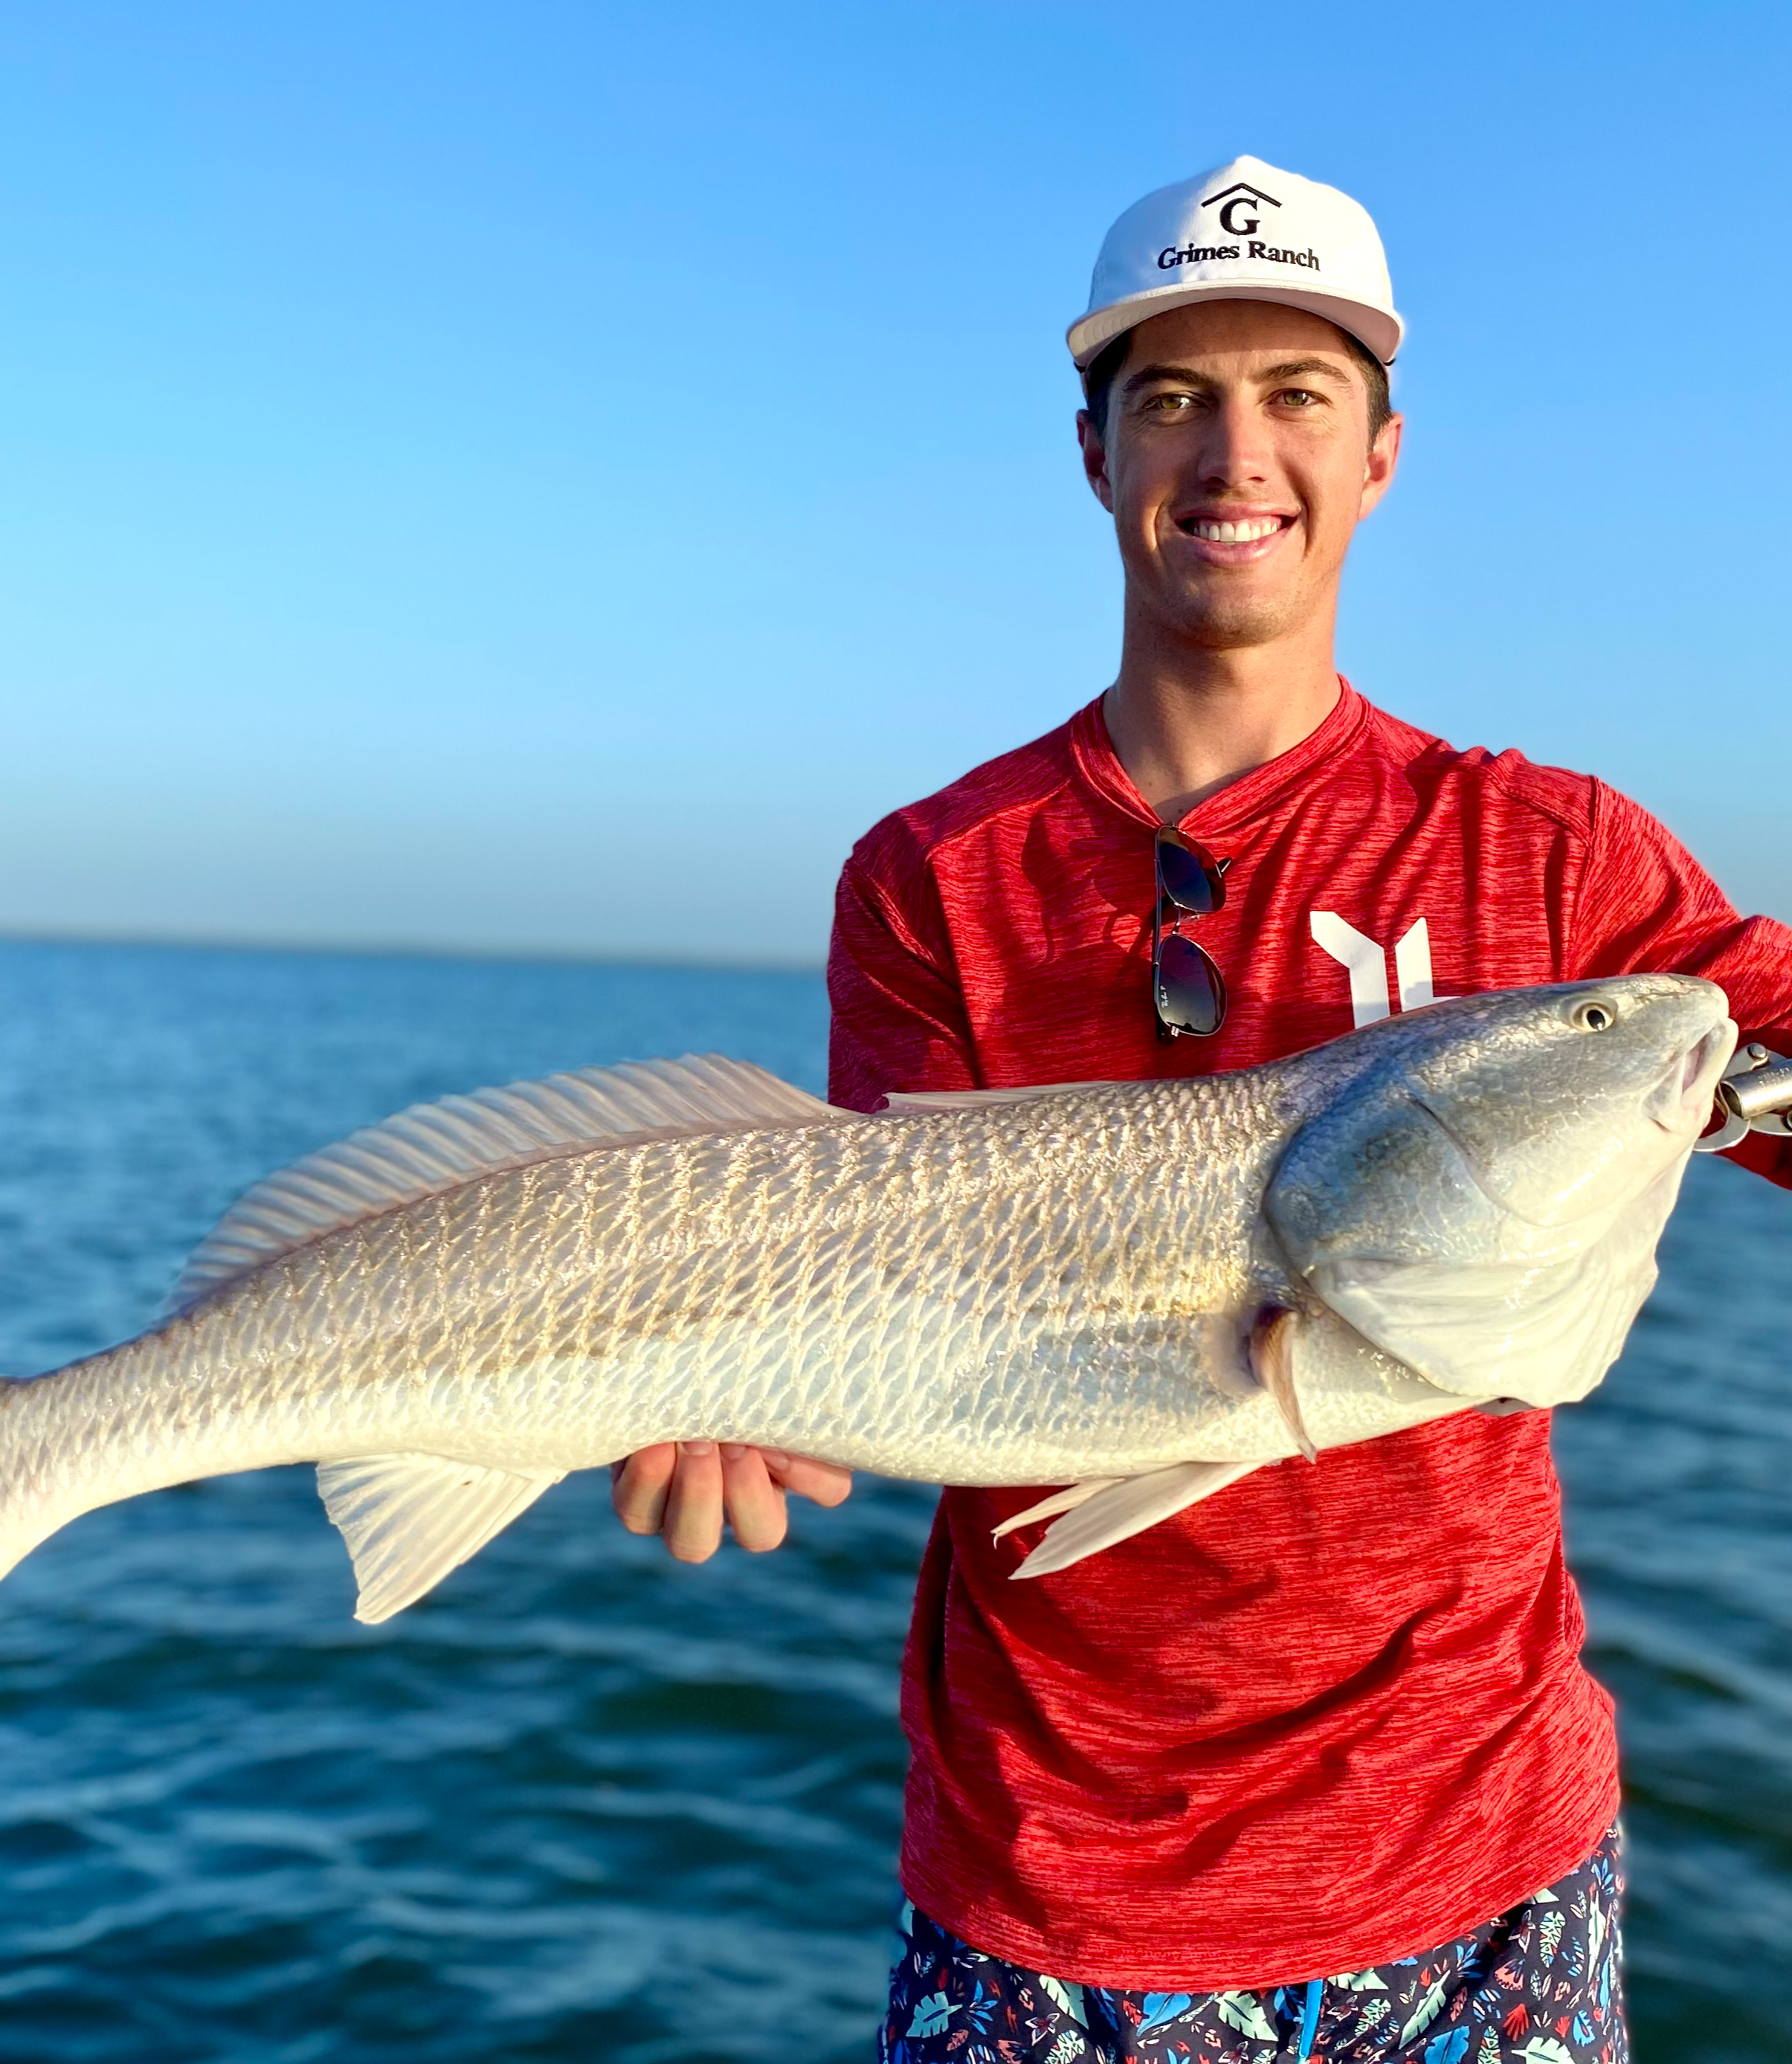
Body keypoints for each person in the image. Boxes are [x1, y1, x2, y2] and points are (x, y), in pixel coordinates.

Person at [612, 155, 1792, 2060]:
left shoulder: (1550, 850)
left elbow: (1758, 1042)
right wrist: (722, 1399)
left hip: (1486, 1864)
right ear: (1092, 453)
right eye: (1172, 395)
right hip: (1047, 1892)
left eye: (1295, 393)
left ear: (1380, 453)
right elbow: (864, 1277)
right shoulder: (931, 876)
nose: (1235, 452)